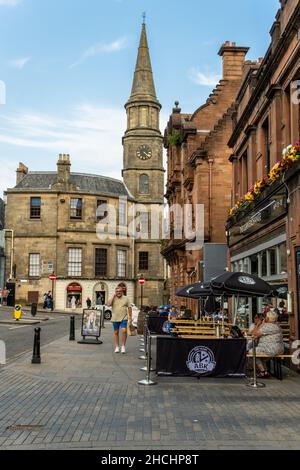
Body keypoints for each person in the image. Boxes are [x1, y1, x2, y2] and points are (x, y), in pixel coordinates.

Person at [249, 309, 284, 378]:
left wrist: (261, 324)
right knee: (259, 354)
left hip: (270, 349)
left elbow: (253, 333)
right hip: (279, 349)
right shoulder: (277, 326)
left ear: (267, 318)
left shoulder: (267, 326)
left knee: (251, 352)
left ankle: (263, 371)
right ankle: (265, 371)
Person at [107, 287, 132, 354]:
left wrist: (130, 317)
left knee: (124, 331)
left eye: (120, 291)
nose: (118, 292)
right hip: (115, 318)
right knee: (116, 332)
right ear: (115, 292)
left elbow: (129, 307)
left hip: (124, 317)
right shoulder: (113, 298)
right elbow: (108, 304)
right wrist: (113, 296)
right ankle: (117, 347)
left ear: (122, 292)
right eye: (117, 291)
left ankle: (123, 346)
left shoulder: (126, 298)